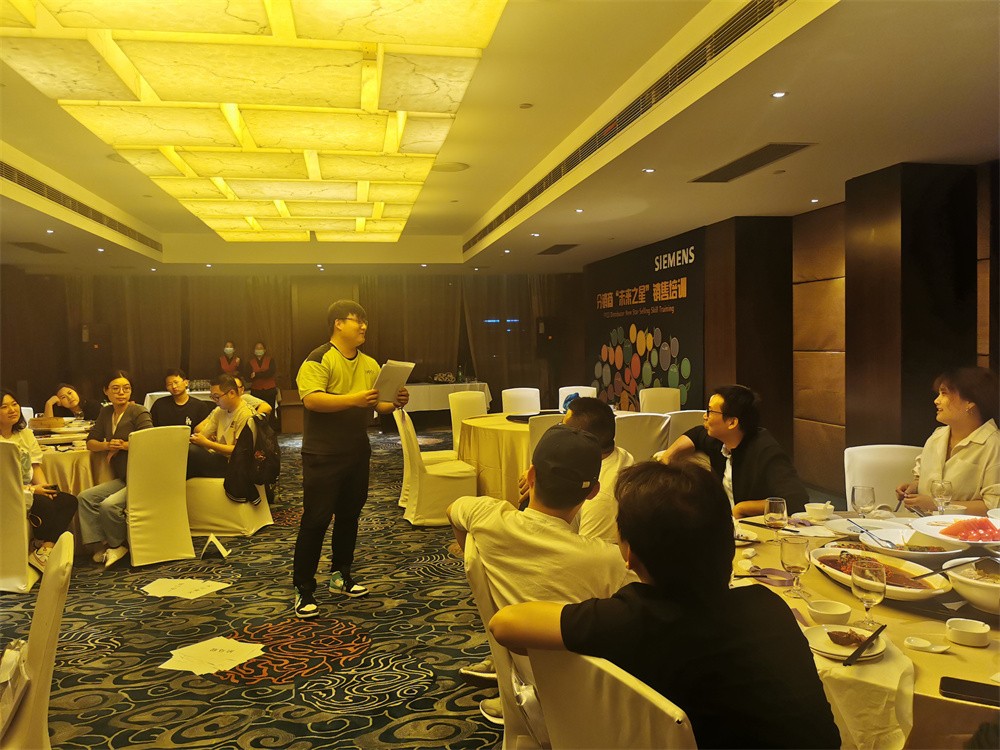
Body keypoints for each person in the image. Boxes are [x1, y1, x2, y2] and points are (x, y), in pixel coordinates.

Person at [488, 461, 841, 750]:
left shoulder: (633, 619)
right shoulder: (769, 607)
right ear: (727, 542)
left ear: (628, 554)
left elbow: (505, 623)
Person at [448, 424, 635, 730]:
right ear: (593, 492)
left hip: (524, 673)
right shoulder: (609, 561)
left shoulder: (487, 516)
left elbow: (453, 510)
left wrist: (474, 552)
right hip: (592, 697)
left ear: (531, 475)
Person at [292, 300, 408, 619]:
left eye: (365, 321)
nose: (364, 326)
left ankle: (341, 576)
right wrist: (354, 399)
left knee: (349, 516)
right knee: (316, 520)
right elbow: (312, 400)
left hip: (357, 450)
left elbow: (379, 405)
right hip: (322, 453)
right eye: (357, 320)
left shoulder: (370, 363)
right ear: (338, 324)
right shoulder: (318, 358)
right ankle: (303, 588)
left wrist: (396, 402)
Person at [657, 384, 808, 517]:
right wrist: (667, 457)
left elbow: (797, 500)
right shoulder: (719, 440)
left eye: (710, 411)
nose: (705, 416)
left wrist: (743, 508)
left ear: (732, 422)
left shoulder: (766, 451)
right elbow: (696, 434)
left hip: (757, 530)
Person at [897, 367, 999, 514]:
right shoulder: (937, 437)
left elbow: (993, 507)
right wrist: (914, 488)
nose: (936, 400)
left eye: (944, 393)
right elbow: (923, 478)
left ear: (969, 402)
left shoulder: (993, 444)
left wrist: (937, 505)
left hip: (965, 527)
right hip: (923, 523)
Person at [77, 370, 153, 568]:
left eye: (126, 388)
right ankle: (101, 545)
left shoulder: (138, 411)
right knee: (85, 498)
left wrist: (123, 445)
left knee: (108, 506)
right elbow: (91, 442)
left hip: (141, 477)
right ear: (106, 391)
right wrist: (108, 445)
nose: (121, 392)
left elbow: (150, 442)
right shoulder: (106, 412)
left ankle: (117, 545)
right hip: (123, 477)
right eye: (116, 388)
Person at [0, 388, 79, 572]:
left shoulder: (25, 434)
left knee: (68, 501)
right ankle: (41, 546)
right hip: (8, 494)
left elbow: (35, 466)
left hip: (28, 489)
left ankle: (44, 549)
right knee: (44, 504)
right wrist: (33, 490)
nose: (12, 410)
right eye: (4, 407)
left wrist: (44, 487)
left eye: (14, 404)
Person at [188, 374, 254, 479]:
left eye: (217, 397)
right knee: (186, 452)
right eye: (212, 397)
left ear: (232, 393)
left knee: (191, 453)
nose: (215, 400)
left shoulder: (245, 414)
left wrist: (207, 443)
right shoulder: (220, 410)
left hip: (234, 464)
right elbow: (204, 433)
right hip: (218, 456)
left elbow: (238, 450)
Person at [150, 369, 214, 428]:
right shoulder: (159, 405)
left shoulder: (200, 406)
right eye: (169, 384)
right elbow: (151, 428)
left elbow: (203, 431)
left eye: (176, 382)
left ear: (186, 383)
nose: (174, 386)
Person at [248, 341, 278, 413]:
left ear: (264, 350)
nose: (259, 350)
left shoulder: (270, 360)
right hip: (256, 391)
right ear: (254, 350)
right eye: (257, 348)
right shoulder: (250, 362)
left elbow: (270, 373)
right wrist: (262, 373)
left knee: (270, 411)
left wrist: (256, 375)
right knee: (257, 412)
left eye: (260, 348)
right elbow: (248, 376)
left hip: (269, 390)